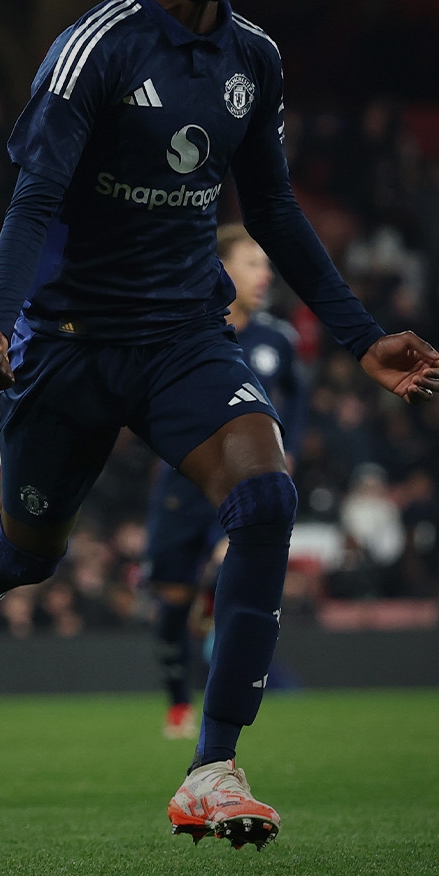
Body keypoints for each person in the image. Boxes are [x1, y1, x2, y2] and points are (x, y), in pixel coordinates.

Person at [0, 0, 439, 850]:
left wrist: (360, 336)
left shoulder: (255, 58)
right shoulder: (95, 50)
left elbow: (273, 209)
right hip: (70, 342)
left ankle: (213, 767)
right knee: (30, 551)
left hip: (184, 336)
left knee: (266, 494)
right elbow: (34, 203)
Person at [146, 222, 307, 741]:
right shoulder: (185, 328)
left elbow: (296, 400)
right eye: (252, 263)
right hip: (181, 484)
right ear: (220, 267)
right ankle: (178, 703)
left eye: (266, 265)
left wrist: (286, 450)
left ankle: (223, 692)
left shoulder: (277, 340)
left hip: (240, 484)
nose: (265, 275)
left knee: (230, 562)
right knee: (172, 599)